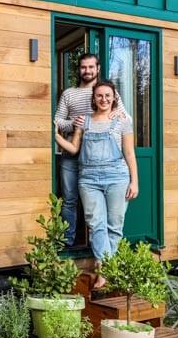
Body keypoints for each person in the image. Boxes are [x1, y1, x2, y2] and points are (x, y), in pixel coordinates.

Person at [54, 80, 138, 289]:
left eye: (107, 96)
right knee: (95, 223)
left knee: (115, 225)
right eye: (99, 96)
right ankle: (106, 269)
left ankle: (105, 269)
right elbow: (73, 149)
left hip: (117, 177)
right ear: (93, 98)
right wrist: (54, 134)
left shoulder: (122, 121)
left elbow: (129, 153)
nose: (103, 99)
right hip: (89, 179)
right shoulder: (84, 121)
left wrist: (134, 181)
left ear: (114, 97)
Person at [53, 53, 126, 247]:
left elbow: (124, 117)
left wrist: (118, 114)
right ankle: (68, 240)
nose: (87, 71)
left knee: (98, 209)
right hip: (72, 152)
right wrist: (73, 123)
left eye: (91, 67)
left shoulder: (107, 91)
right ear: (79, 70)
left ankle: (96, 246)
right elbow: (58, 120)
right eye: (84, 67)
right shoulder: (69, 93)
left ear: (98, 68)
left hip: (101, 157)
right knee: (69, 200)